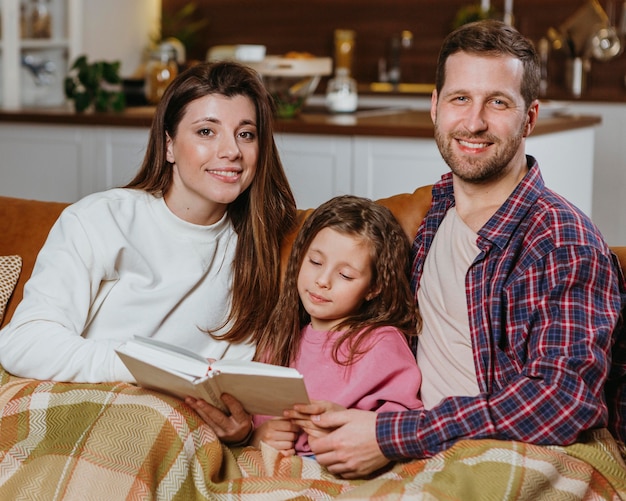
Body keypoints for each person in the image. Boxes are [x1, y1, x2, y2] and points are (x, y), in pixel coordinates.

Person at [284, 20, 625, 478]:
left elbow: (562, 402)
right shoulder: (429, 215)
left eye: (498, 102)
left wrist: (392, 435)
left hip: (517, 455)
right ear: (435, 107)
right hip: (410, 442)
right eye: (460, 98)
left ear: (530, 116)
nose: (474, 121)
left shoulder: (561, 238)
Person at [0, 61, 297, 443]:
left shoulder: (258, 255)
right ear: (169, 145)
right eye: (206, 131)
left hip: (161, 431)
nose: (231, 151)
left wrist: (238, 432)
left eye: (246, 134)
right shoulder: (102, 219)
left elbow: (230, 391)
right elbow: (23, 342)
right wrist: (142, 367)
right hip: (71, 407)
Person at [250, 195, 423, 456]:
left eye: (345, 275)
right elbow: (255, 414)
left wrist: (349, 427)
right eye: (315, 262)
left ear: (374, 288)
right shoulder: (279, 339)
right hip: (278, 465)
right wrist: (258, 437)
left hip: (342, 464)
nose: (323, 280)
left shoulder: (381, 342)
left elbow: (405, 418)